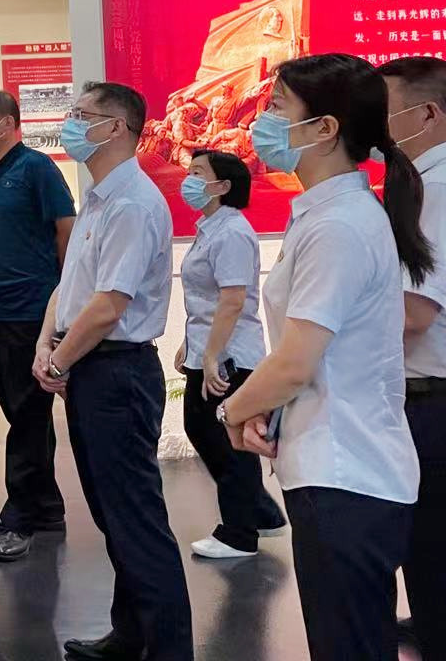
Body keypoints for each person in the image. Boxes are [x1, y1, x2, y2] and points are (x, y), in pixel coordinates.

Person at [221, 54, 433, 661]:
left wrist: (233, 411)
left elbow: (296, 361)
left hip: (345, 474)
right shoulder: (331, 214)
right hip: (343, 467)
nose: (260, 121)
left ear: (324, 128)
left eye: (275, 107)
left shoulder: (338, 225)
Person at [32, 81, 193, 661]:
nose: (71, 124)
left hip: (117, 372)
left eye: (83, 115)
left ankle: (169, 647)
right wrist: (46, 343)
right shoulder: (99, 199)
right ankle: (132, 633)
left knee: (135, 518)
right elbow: (72, 287)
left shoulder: (131, 204)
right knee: (113, 514)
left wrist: (60, 358)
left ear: (117, 127)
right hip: (91, 368)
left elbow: (108, 305)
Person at [0, 89, 75, 562]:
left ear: (8, 123)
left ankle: (20, 516)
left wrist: (64, 296)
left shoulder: (37, 169)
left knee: (28, 415)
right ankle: (47, 506)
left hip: (32, 310)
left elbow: (66, 229)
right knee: (22, 412)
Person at [171, 149, 286, 559]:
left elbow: (233, 299)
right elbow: (205, 299)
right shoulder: (211, 229)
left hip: (229, 356)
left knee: (226, 440)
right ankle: (261, 512)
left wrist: (212, 355)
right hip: (210, 348)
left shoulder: (233, 232)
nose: (188, 180)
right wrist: (191, 344)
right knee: (203, 429)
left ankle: (239, 534)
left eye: (197, 173)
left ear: (222, 186)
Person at [380, 56, 446, 660]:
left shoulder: (436, 190)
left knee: (430, 538)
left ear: (426, 114)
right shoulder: (420, 185)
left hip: (434, 397)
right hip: (423, 392)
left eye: (385, 109)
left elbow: (413, 312)